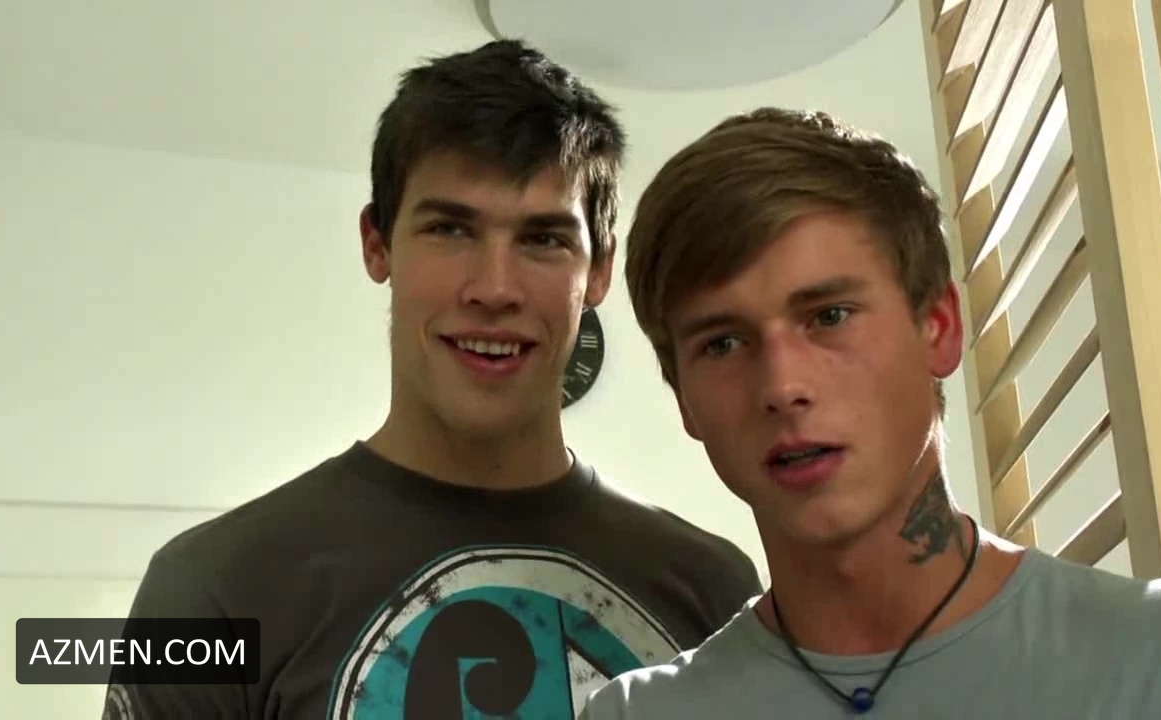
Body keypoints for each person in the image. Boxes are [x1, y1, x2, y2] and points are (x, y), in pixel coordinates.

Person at [103, 40, 762, 719]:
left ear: (598, 270)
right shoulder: (212, 590)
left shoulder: (714, 590)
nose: (494, 288)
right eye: (450, 229)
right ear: (377, 244)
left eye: (543, 239)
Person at [580, 107, 1161, 719]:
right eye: (723, 343)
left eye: (829, 316)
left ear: (939, 328)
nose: (782, 386)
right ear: (684, 398)